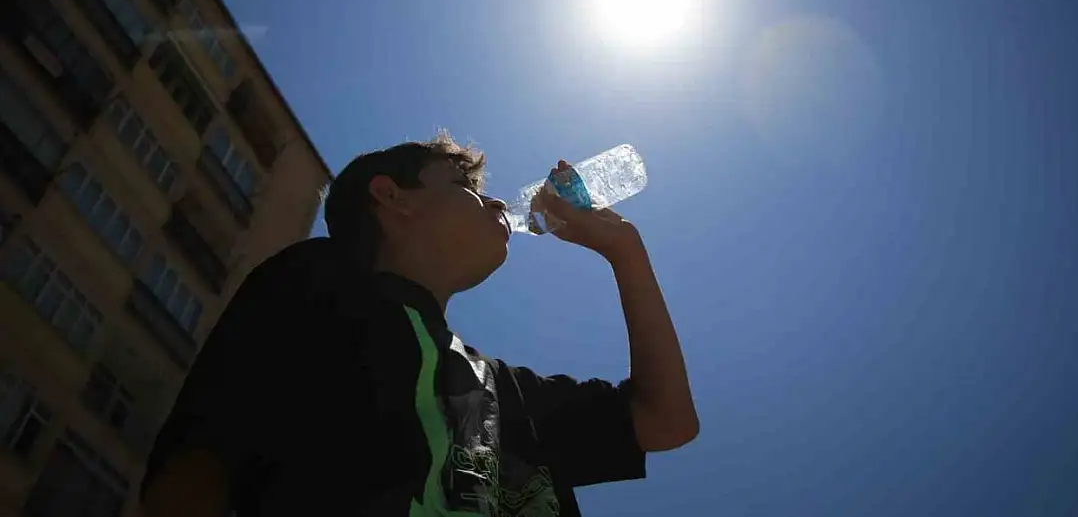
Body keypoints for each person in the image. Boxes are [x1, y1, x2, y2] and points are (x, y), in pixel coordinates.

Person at [140, 133, 698, 517]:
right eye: (468, 188)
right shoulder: (321, 280)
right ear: (392, 198)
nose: (498, 201)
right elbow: (202, 458)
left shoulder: (502, 392)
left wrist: (624, 250)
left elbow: (666, 421)